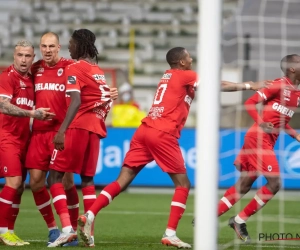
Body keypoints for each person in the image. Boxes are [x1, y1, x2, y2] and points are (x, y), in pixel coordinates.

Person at [77, 47, 197, 249]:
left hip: (145, 130)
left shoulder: (168, 76)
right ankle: (170, 233)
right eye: (188, 56)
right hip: (162, 132)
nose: (191, 58)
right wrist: (247, 85)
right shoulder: (186, 75)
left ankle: (89, 214)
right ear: (182, 62)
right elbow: (216, 85)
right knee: (183, 185)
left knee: (122, 180)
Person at [217, 54, 300, 243]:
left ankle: (210, 218)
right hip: (258, 138)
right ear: (292, 68)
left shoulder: (297, 94)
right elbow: (249, 102)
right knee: (274, 183)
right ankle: (239, 220)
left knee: (245, 184)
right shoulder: (279, 84)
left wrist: (294, 135)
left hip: (268, 141)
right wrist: (261, 123)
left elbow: (280, 120)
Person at [48, 29, 117, 247]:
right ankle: (91, 234)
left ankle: (67, 230)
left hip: (77, 127)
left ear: (80, 44)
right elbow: (105, 101)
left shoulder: (74, 68)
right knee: (87, 181)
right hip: (95, 129)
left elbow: (76, 100)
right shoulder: (97, 71)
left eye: (71, 43)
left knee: (54, 178)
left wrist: (62, 130)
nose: (69, 47)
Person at [25, 32, 80, 247]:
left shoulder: (70, 67)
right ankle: (52, 229)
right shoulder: (35, 68)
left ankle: (72, 230)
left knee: (65, 182)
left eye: (51, 46)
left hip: (61, 133)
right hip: (39, 134)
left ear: (59, 48)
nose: (47, 50)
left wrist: (106, 94)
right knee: (36, 181)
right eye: (44, 46)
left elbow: (83, 92)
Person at [0, 40, 55, 246]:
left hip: (24, 140)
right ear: (14, 56)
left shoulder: (32, 78)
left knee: (20, 188)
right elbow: (3, 106)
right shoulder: (7, 77)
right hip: (7, 138)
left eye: (27, 56)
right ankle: (3, 231)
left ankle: (10, 232)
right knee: (13, 183)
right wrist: (32, 114)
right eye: (20, 55)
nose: (23, 59)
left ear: (33, 58)